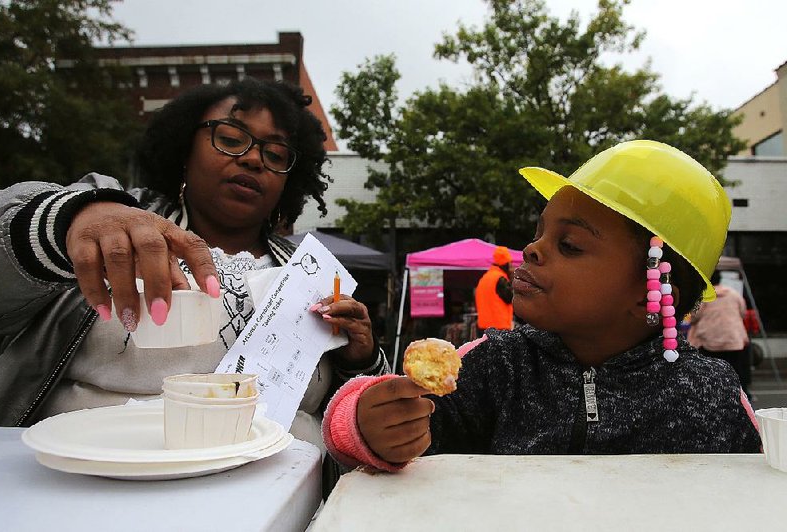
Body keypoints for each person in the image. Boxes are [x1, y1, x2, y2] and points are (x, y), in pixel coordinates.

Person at [0, 78, 389, 457]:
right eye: (230, 139)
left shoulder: (310, 275)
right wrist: (65, 224)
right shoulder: (105, 216)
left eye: (275, 155)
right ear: (184, 149)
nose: (252, 159)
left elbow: (352, 421)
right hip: (89, 481)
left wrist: (361, 360)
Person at [320, 140, 761, 472]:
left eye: (569, 244)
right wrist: (367, 425)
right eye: (540, 231)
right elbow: (374, 424)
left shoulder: (711, 392)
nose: (532, 248)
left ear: (651, 296)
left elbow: (754, 494)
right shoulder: (494, 366)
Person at [688, 271, 752, 399]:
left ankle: (714, 395)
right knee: (737, 370)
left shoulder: (704, 296)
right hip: (734, 340)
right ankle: (742, 396)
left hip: (710, 341)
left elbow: (694, 317)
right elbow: (743, 312)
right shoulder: (733, 293)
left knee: (711, 372)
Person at [474, 246, 514, 335]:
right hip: (499, 327)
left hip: (483, 326)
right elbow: (511, 298)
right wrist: (512, 280)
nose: (512, 267)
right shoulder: (500, 279)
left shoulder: (485, 278)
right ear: (506, 264)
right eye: (510, 264)